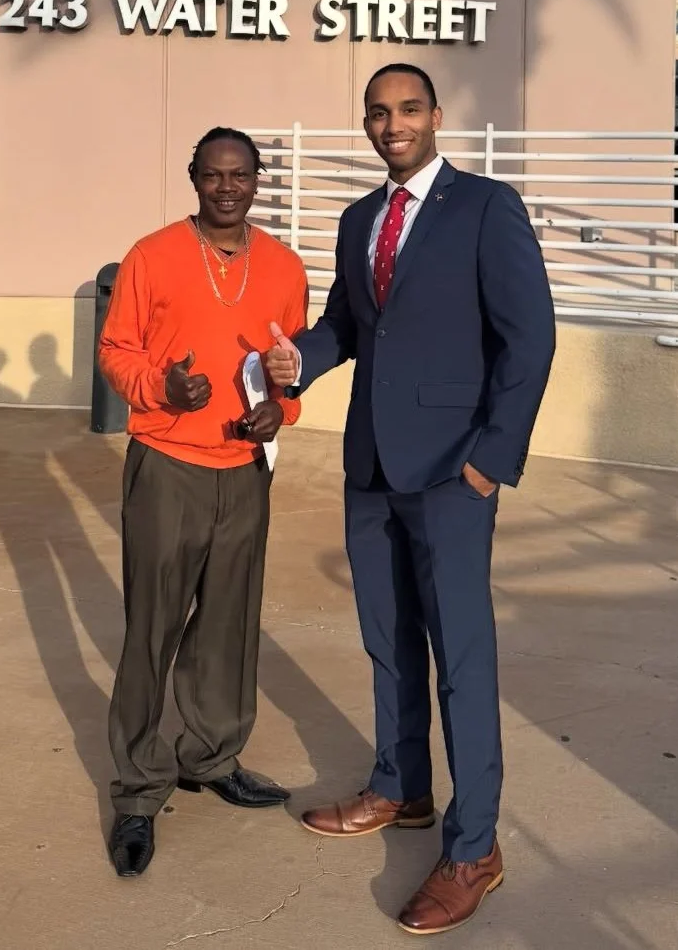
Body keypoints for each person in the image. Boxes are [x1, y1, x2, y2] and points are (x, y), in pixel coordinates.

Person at [263, 64, 555, 935]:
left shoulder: (486, 207)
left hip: (451, 472)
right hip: (371, 467)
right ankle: (401, 787)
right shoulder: (360, 218)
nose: (392, 124)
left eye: (407, 109)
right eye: (377, 113)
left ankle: (473, 847)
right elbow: (349, 325)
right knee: (387, 641)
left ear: (434, 116)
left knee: (461, 660)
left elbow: (530, 337)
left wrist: (490, 460)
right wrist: (300, 359)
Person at [99, 127, 309, 879]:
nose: (227, 187)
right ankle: (137, 788)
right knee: (151, 629)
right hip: (168, 466)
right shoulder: (151, 255)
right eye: (213, 175)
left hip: (244, 469)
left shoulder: (284, 266)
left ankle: (211, 756)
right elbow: (116, 349)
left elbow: (290, 369)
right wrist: (162, 387)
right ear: (193, 177)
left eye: (240, 175)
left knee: (228, 624)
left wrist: (280, 411)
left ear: (257, 180)